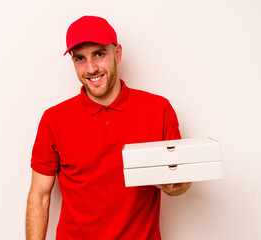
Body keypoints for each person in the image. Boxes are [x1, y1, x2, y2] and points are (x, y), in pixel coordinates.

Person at [26, 15, 191, 240]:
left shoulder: (158, 109)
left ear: (118, 53)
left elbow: (180, 183)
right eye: (80, 59)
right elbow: (39, 196)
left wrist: (175, 186)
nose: (91, 68)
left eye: (99, 54)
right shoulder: (53, 119)